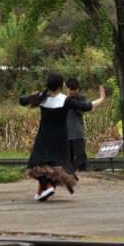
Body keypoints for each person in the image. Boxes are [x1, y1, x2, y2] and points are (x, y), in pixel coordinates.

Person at [19, 73, 105, 201]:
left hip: (45, 136)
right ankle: (43, 190)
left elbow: (22, 100)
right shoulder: (66, 100)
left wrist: (33, 95)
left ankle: (46, 186)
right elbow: (86, 106)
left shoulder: (41, 97)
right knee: (58, 162)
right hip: (61, 138)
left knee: (35, 161)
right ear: (61, 85)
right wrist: (102, 98)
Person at [65, 78, 88, 172]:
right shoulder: (62, 99)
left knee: (80, 156)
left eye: (76, 89)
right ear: (67, 88)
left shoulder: (81, 98)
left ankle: (85, 174)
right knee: (67, 158)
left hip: (77, 133)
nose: (74, 92)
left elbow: (81, 110)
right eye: (71, 89)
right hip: (65, 134)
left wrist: (72, 101)